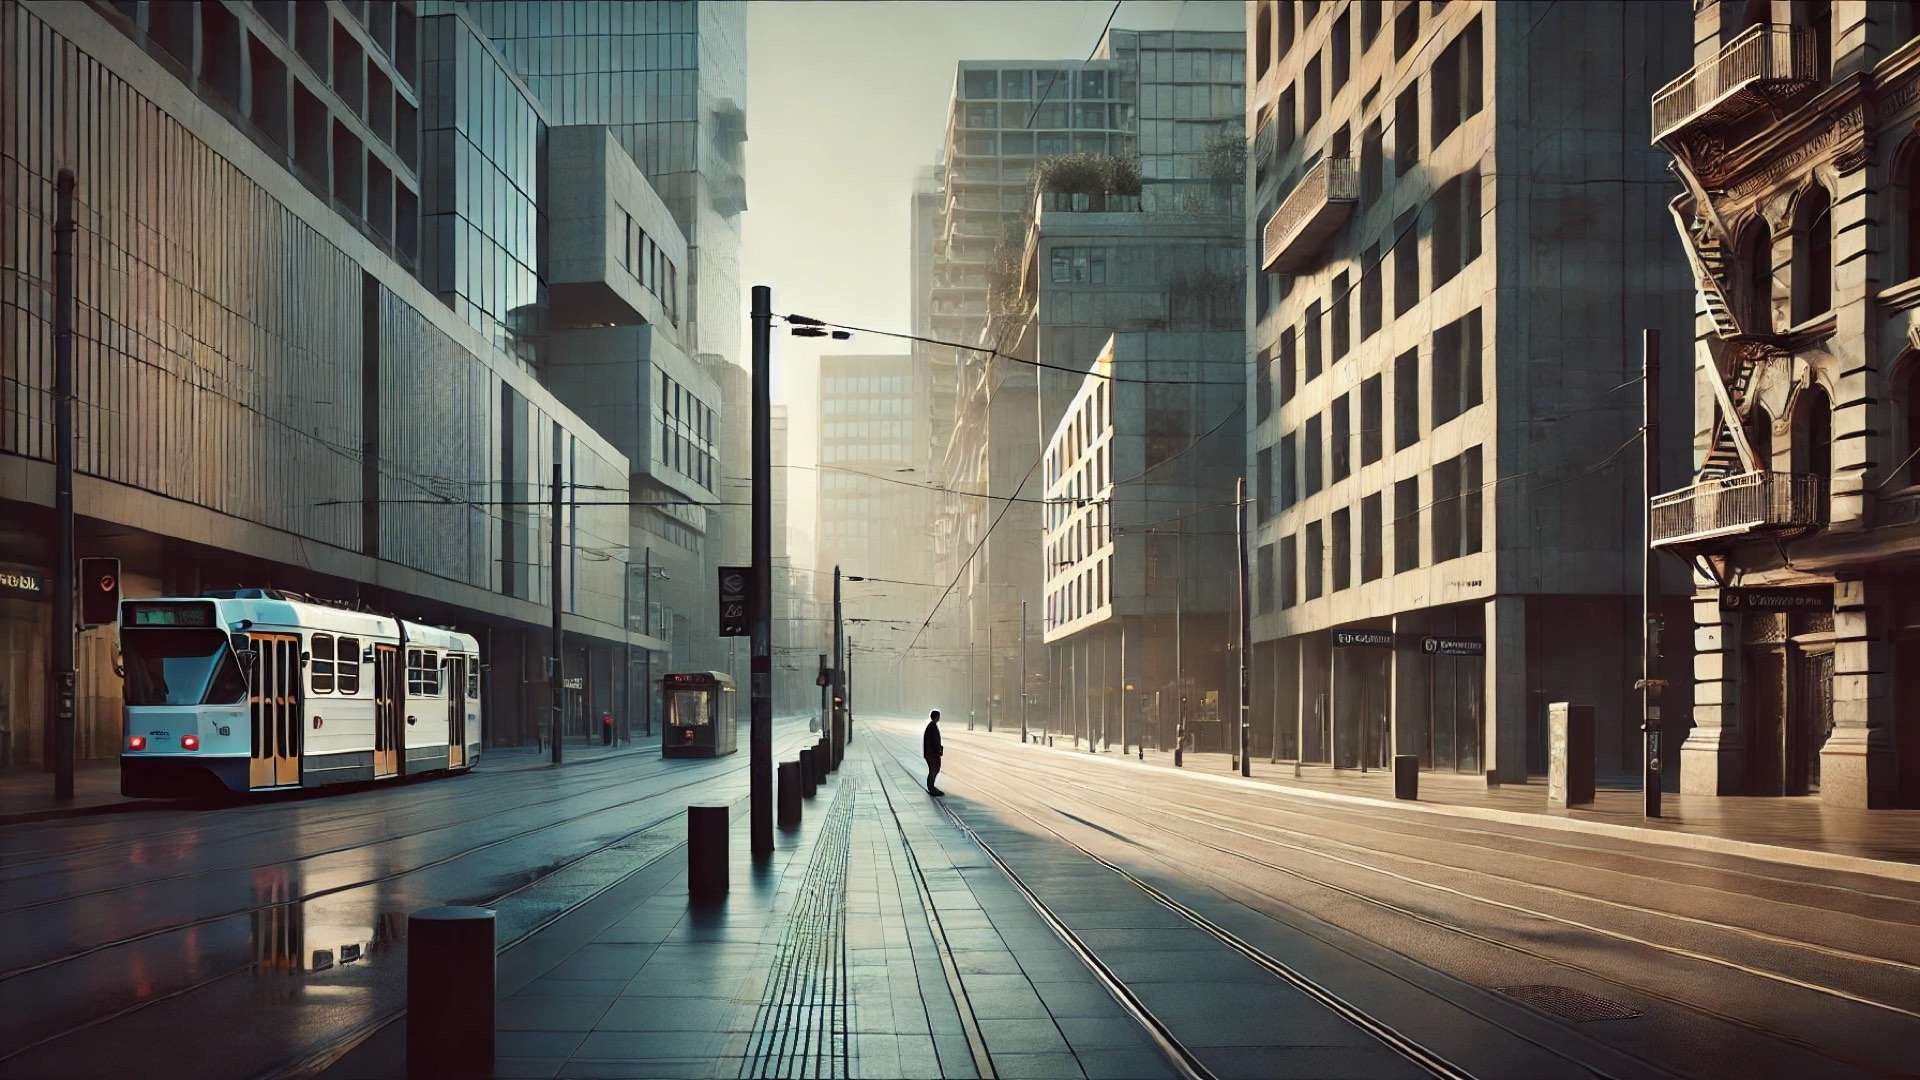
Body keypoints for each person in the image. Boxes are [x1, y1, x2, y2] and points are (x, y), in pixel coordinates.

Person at [923, 709, 944, 796]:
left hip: (930, 752)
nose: (939, 717)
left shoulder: (932, 725)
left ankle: (931, 787)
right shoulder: (932, 727)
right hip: (931, 753)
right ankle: (931, 788)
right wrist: (939, 750)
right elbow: (935, 741)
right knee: (934, 769)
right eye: (939, 716)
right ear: (936, 717)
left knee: (934, 769)